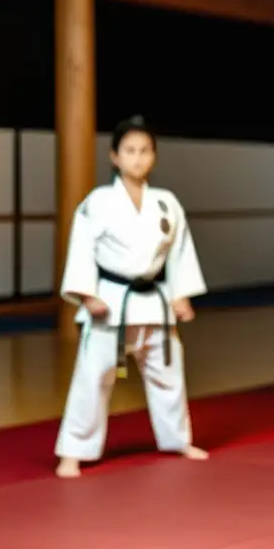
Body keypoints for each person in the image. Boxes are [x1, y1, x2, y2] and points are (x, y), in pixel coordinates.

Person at [54, 115, 209, 479]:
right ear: (114, 156)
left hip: (154, 301)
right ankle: (72, 452)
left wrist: (180, 295)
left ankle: (178, 439)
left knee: (169, 375)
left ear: (153, 156)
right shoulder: (99, 201)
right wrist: (86, 295)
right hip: (111, 301)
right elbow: (81, 250)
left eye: (144, 151)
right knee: (94, 377)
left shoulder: (166, 202)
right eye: (130, 151)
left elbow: (178, 253)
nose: (138, 158)